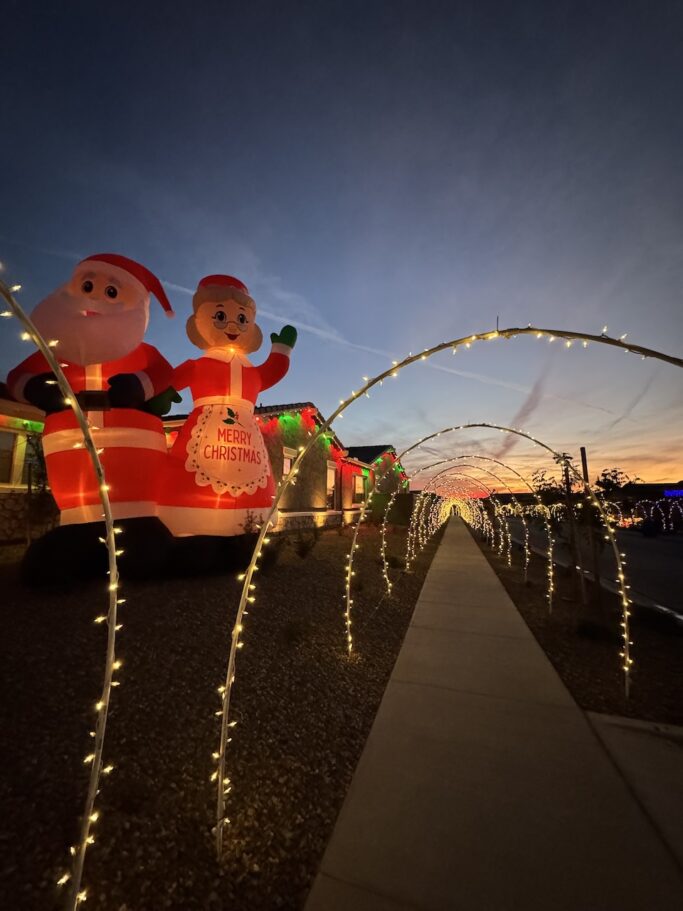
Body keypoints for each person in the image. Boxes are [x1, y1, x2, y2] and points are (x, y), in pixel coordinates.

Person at [157, 274, 296, 537]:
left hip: (246, 444)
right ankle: (192, 527)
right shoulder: (198, 365)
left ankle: (249, 525)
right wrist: (160, 394)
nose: (233, 324)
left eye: (242, 318)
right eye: (220, 316)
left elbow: (272, 372)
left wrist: (281, 350)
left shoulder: (251, 372)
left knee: (251, 485)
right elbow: (171, 381)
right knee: (192, 477)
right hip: (204, 437)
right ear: (199, 322)